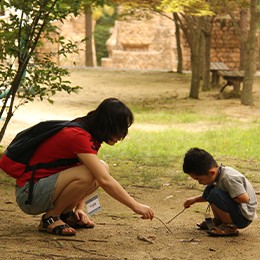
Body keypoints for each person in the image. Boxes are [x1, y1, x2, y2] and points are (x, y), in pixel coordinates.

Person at [14, 98, 154, 236]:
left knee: (102, 167)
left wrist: (79, 209)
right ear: (108, 124)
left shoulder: (89, 132)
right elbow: (104, 180)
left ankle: (66, 213)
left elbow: (80, 167)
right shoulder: (79, 135)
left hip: (44, 190)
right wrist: (135, 206)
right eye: (119, 129)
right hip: (29, 194)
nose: (122, 135)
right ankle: (50, 218)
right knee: (93, 173)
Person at [183, 147, 257, 237]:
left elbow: (245, 199)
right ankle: (218, 221)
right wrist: (194, 200)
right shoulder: (217, 175)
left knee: (215, 193)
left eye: (200, 179)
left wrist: (226, 197)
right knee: (211, 189)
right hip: (236, 211)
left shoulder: (229, 178)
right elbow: (207, 196)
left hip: (243, 217)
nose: (199, 183)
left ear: (212, 173)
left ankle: (229, 227)